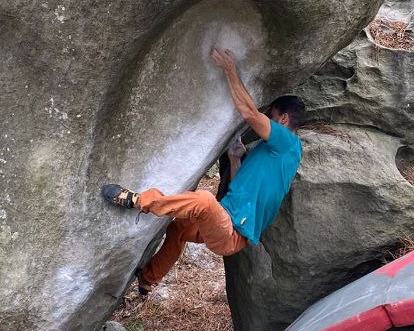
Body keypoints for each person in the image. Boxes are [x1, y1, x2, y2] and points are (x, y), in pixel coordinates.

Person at [100, 47, 304, 293]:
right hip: (223, 222)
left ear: (282, 120)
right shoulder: (273, 154)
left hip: (231, 232)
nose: (267, 121)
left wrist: (230, 69)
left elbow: (249, 113)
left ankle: (137, 200)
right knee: (179, 227)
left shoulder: (289, 143)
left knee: (205, 201)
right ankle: (148, 279)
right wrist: (235, 159)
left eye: (270, 116)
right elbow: (239, 189)